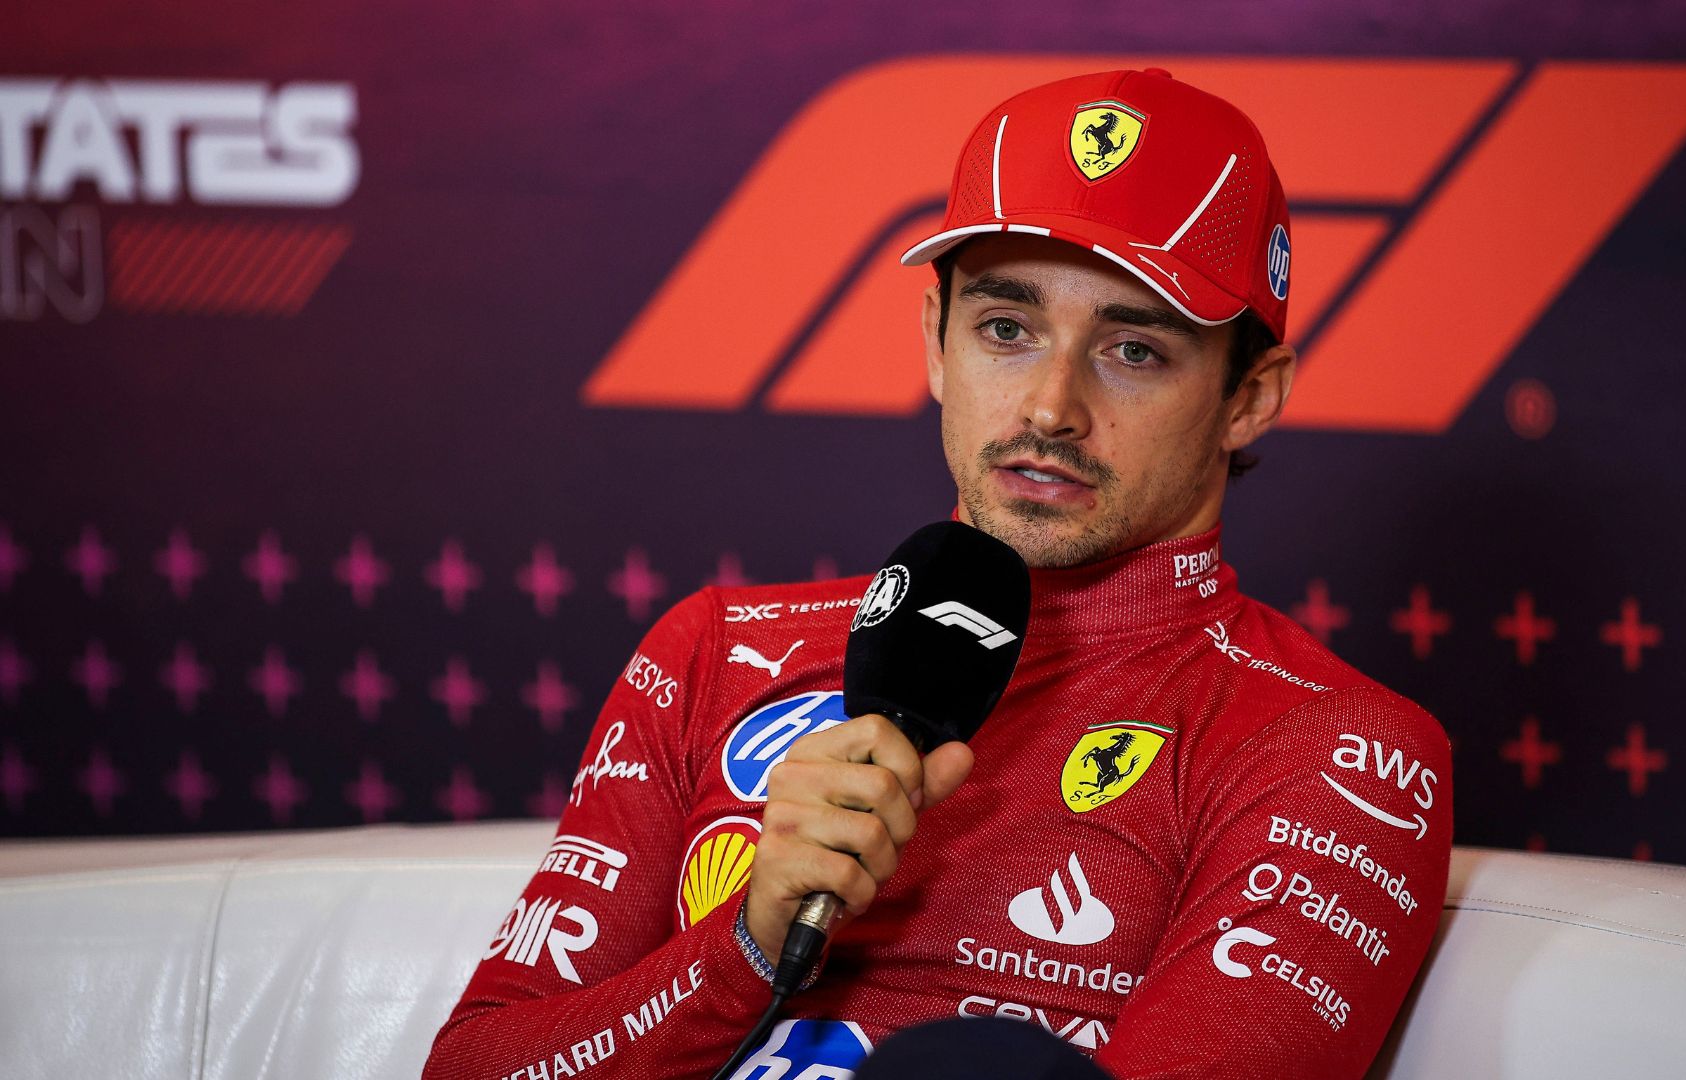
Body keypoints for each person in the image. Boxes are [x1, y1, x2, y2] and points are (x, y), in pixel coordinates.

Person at [424, 67, 1452, 1080]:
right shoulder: (717, 650)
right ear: (935, 343)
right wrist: (745, 945)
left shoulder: (1338, 753)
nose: (1050, 406)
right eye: (1006, 330)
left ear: (1251, 398)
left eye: (1133, 350)